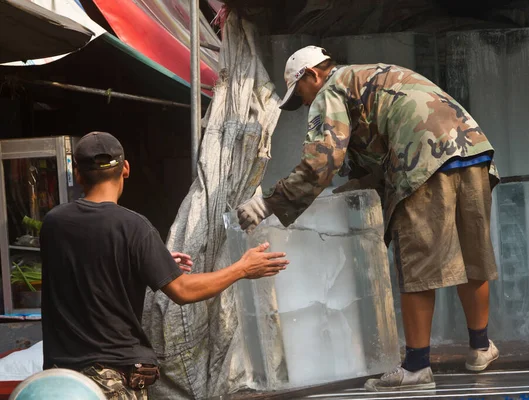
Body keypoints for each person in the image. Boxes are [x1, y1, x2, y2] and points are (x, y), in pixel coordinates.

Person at [236, 46, 500, 391]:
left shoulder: (329, 89)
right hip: (471, 149)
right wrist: (355, 187)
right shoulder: (368, 75)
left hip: (424, 157)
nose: (302, 104)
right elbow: (378, 150)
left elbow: (322, 161)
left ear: (312, 74)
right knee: (471, 255)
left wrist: (268, 204)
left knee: (417, 265)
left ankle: (417, 367)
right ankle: (481, 347)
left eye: (299, 94)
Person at [41, 131, 289, 399]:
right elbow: (182, 291)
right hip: (111, 381)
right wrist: (242, 268)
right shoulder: (134, 228)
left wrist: (149, 261)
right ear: (125, 169)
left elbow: (88, 263)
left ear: (78, 174)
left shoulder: (53, 223)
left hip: (60, 382)